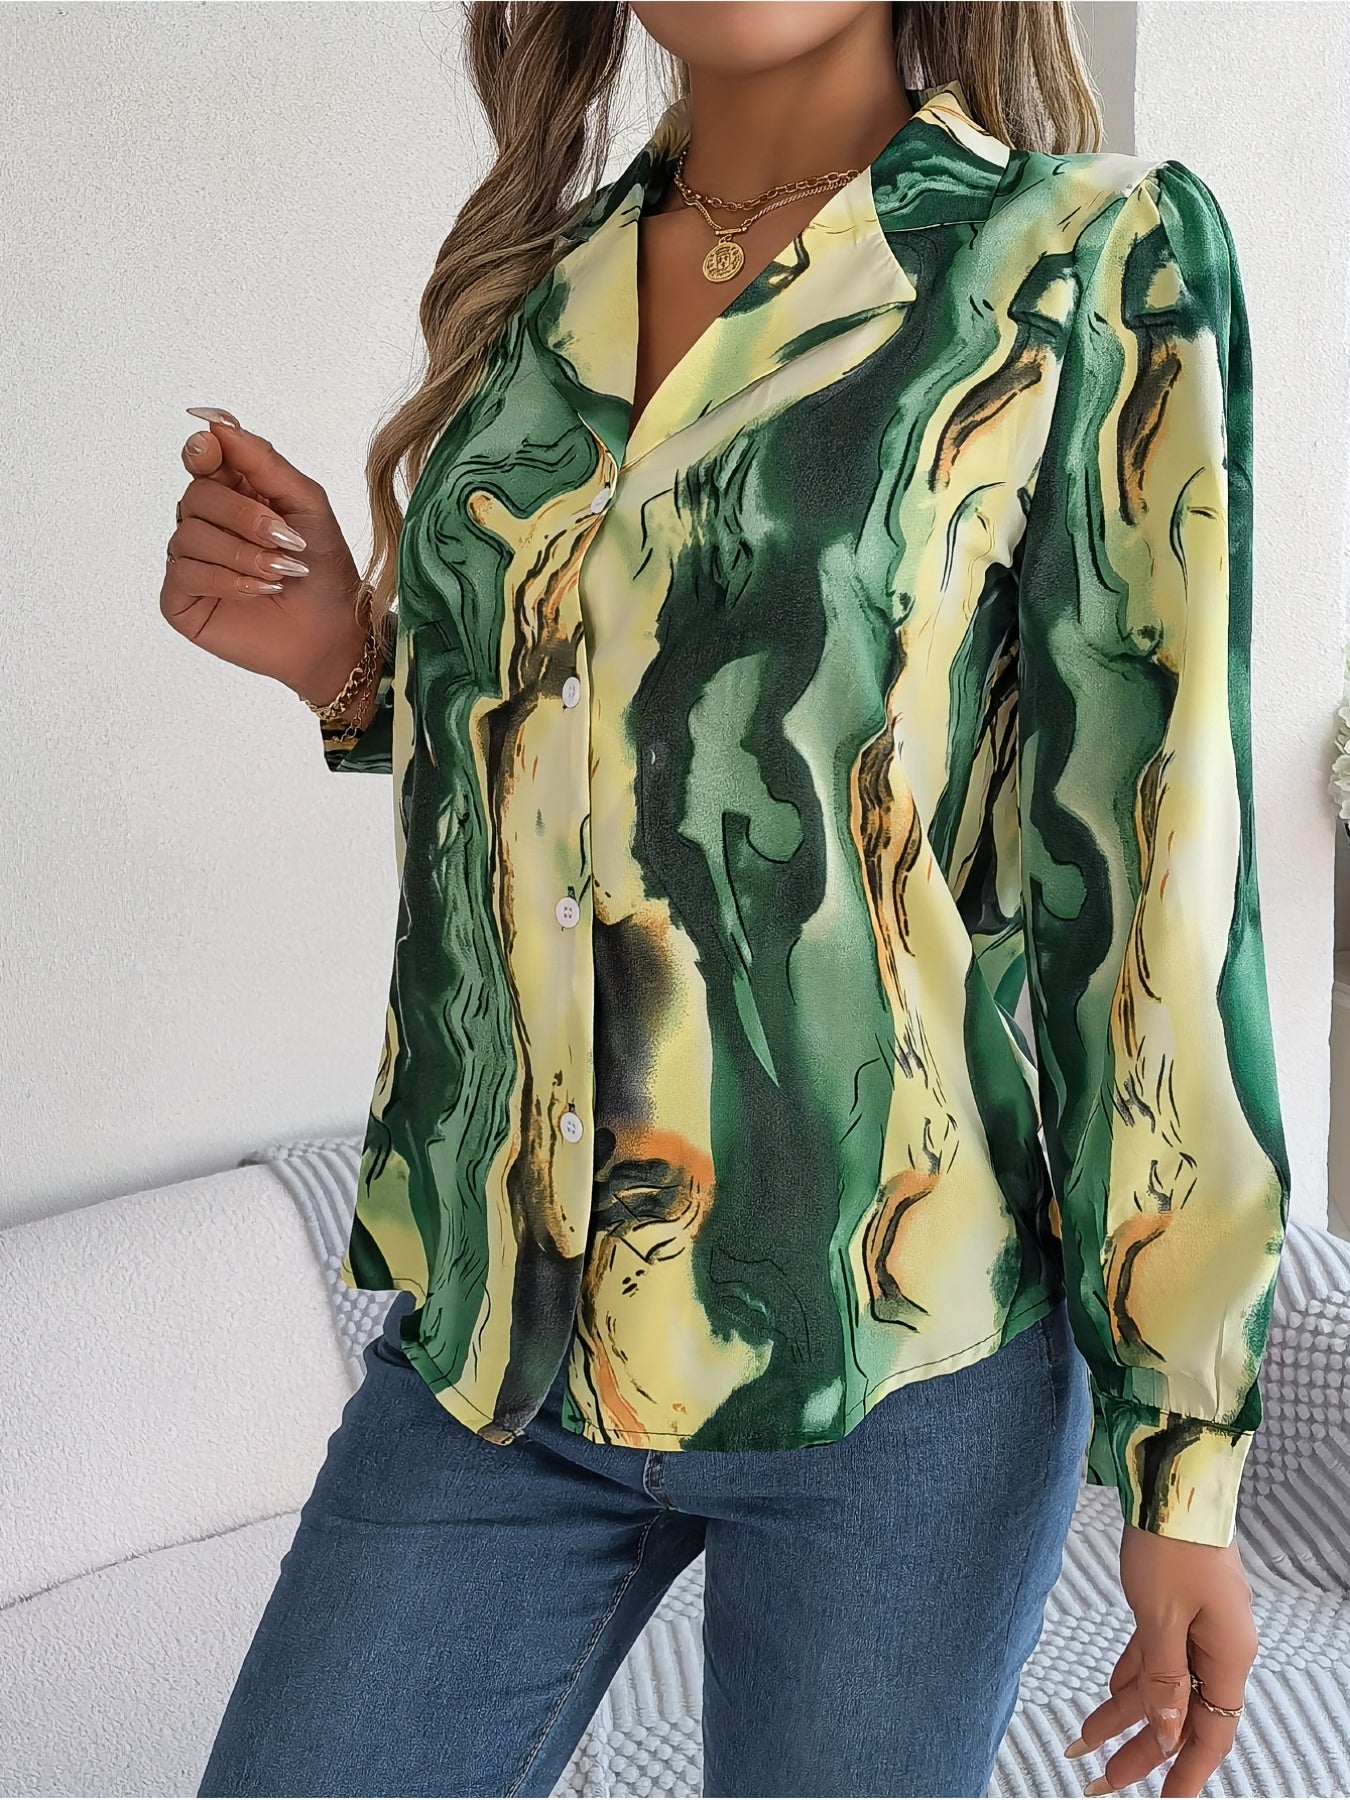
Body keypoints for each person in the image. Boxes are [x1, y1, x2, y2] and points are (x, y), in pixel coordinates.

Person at [167, 4, 1291, 1796]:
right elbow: (589, 776)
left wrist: (1183, 1457)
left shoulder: (1075, 260)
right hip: (498, 1349)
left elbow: (1151, 876)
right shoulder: (544, 289)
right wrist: (344, 666)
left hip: (889, 1364)